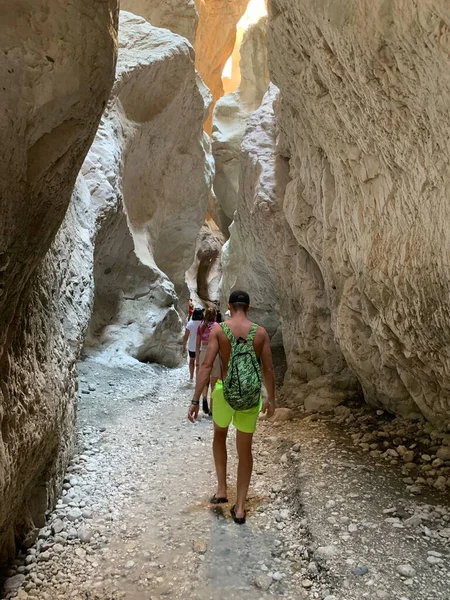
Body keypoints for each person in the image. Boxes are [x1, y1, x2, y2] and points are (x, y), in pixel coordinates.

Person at [188, 290, 276, 524]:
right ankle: (239, 508)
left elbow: (206, 366)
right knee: (245, 449)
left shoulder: (219, 330)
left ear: (229, 306)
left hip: (224, 393)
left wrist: (196, 399)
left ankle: (221, 490)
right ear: (248, 307)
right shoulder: (260, 333)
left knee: (219, 436)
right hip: (249, 397)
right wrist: (271, 399)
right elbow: (268, 370)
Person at [195, 307, 221, 415]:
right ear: (214, 315)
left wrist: (197, 360)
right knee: (214, 383)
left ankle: (204, 397)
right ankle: (212, 408)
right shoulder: (217, 327)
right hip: (214, 353)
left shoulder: (201, 326)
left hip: (203, 352)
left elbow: (197, 345)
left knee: (205, 380)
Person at [182, 307, 203, 382]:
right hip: (201, 347)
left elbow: (186, 337)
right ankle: (198, 378)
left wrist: (184, 346)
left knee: (192, 361)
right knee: (200, 362)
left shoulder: (190, 323)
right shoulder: (203, 324)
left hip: (192, 346)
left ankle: (191, 377)